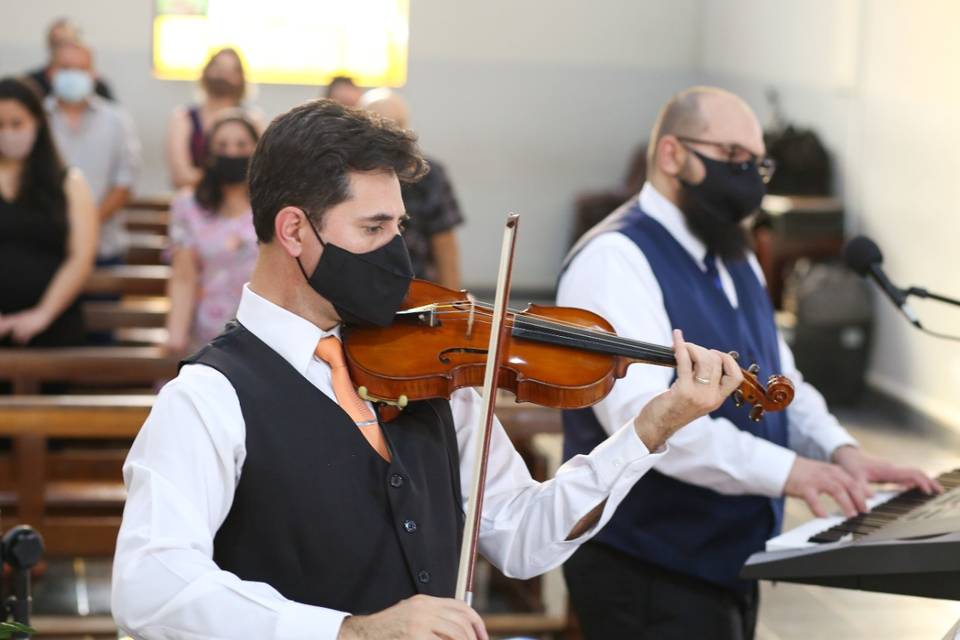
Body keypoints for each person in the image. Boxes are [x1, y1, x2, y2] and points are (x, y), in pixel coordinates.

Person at [111, 98, 743, 639]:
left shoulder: (433, 372)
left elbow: (524, 536)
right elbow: (149, 584)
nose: (398, 251)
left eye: (400, 225)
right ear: (295, 230)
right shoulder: (208, 397)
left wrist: (651, 428)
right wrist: (349, 630)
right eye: (373, 226)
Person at [557, 86, 941, 640]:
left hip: (726, 558)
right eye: (733, 158)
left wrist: (840, 450)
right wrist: (793, 472)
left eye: (757, 163)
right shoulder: (616, 258)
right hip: (648, 563)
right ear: (672, 155)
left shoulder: (733, 252)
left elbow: (783, 381)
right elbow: (645, 422)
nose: (748, 178)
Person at [0, 77, 97, 347]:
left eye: (17, 124)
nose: (7, 133)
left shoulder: (69, 182)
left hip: (54, 323)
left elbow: (81, 256)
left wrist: (42, 314)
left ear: (37, 123)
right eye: (0, 125)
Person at [164, 113, 260, 354]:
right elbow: (184, 276)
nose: (232, 153)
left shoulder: (271, 206)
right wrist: (175, 336)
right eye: (222, 145)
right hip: (207, 331)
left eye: (241, 145)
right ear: (209, 154)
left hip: (259, 330)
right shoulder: (188, 205)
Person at [45, 42, 140, 267]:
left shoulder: (117, 120)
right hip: (46, 248)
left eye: (81, 69)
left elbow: (125, 184)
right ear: (51, 73)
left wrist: (85, 224)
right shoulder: (37, 119)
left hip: (104, 248)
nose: (73, 75)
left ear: (93, 74)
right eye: (65, 67)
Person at [361, 88, 464, 288]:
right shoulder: (347, 172)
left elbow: (445, 245)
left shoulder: (429, 174)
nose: (390, 135)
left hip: (418, 287)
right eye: (379, 125)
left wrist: (451, 303)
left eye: (397, 125)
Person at [166, 47, 264, 189]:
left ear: (240, 78)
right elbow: (180, 176)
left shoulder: (253, 120)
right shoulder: (183, 118)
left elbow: (260, 173)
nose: (223, 75)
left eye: (231, 70)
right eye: (218, 67)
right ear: (206, 72)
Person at [25, 18, 114, 101]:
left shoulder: (97, 86)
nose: (63, 48)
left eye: (68, 42)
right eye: (57, 43)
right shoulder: (31, 84)